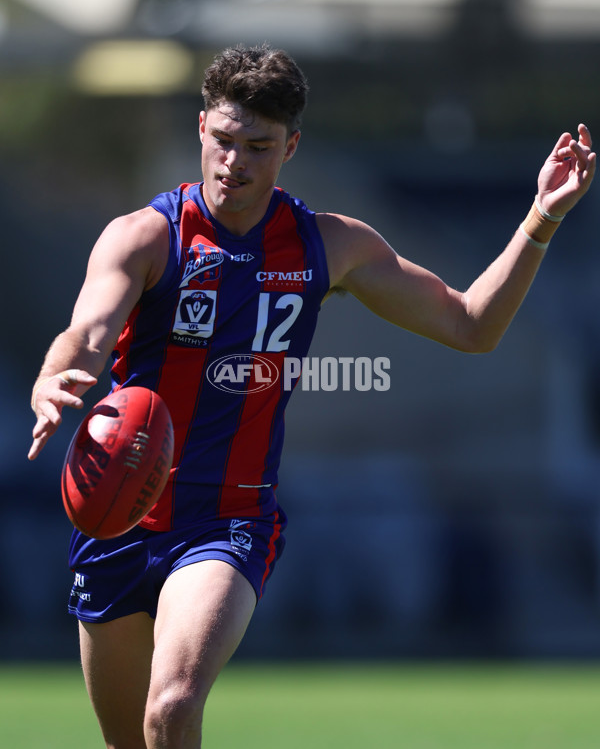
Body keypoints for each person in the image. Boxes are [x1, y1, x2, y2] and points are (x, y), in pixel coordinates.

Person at [28, 44, 595, 749]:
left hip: (225, 523)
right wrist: (56, 374)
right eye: (225, 141)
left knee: (171, 709)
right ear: (202, 128)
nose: (235, 162)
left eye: (258, 147)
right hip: (118, 520)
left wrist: (542, 216)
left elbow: (470, 324)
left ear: (290, 146)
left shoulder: (328, 246)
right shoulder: (147, 237)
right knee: (126, 744)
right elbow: (86, 330)